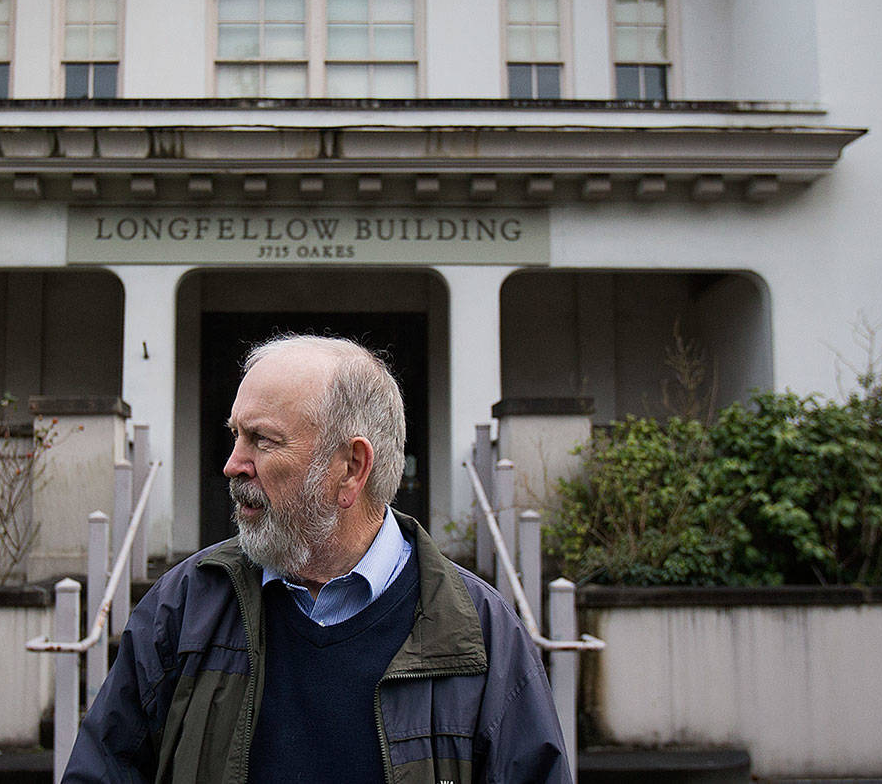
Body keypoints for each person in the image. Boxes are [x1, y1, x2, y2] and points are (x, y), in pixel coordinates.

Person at [62, 335, 572, 784]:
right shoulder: (183, 606)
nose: (232, 464)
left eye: (262, 440)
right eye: (236, 435)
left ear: (351, 468)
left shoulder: (479, 632)